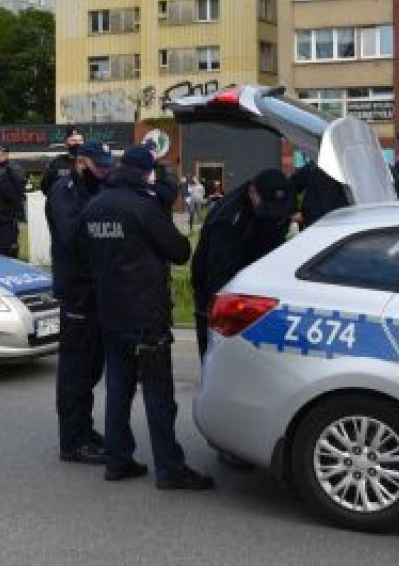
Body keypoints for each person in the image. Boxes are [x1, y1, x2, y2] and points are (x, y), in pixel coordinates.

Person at [75, 146, 213, 491]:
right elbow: (179, 252)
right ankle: (169, 468)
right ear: (143, 172)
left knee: (118, 390)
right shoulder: (143, 206)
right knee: (158, 392)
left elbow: (80, 253)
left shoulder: (94, 206)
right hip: (146, 314)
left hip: (110, 312)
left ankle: (117, 460)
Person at [46, 141, 114, 464]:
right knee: (75, 371)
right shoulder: (63, 191)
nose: (104, 171)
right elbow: (73, 234)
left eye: (107, 165)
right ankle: (72, 441)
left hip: (99, 289)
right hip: (76, 291)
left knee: (91, 368)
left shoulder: (99, 188)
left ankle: (84, 430)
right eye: (98, 165)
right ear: (81, 162)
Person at [191, 169, 294, 361]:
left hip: (255, 291)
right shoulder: (228, 220)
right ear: (252, 192)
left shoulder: (280, 198)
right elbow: (220, 276)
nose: (273, 215)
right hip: (217, 296)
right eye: (268, 207)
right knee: (219, 364)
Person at [290, 160, 348, 229]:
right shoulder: (311, 169)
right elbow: (290, 186)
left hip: (339, 217)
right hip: (315, 218)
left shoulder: (344, 168)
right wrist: (293, 211)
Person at [40, 126, 84, 196]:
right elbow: (45, 187)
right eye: (73, 141)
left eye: (80, 141)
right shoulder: (56, 163)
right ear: (66, 144)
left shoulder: (90, 163)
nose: (77, 143)